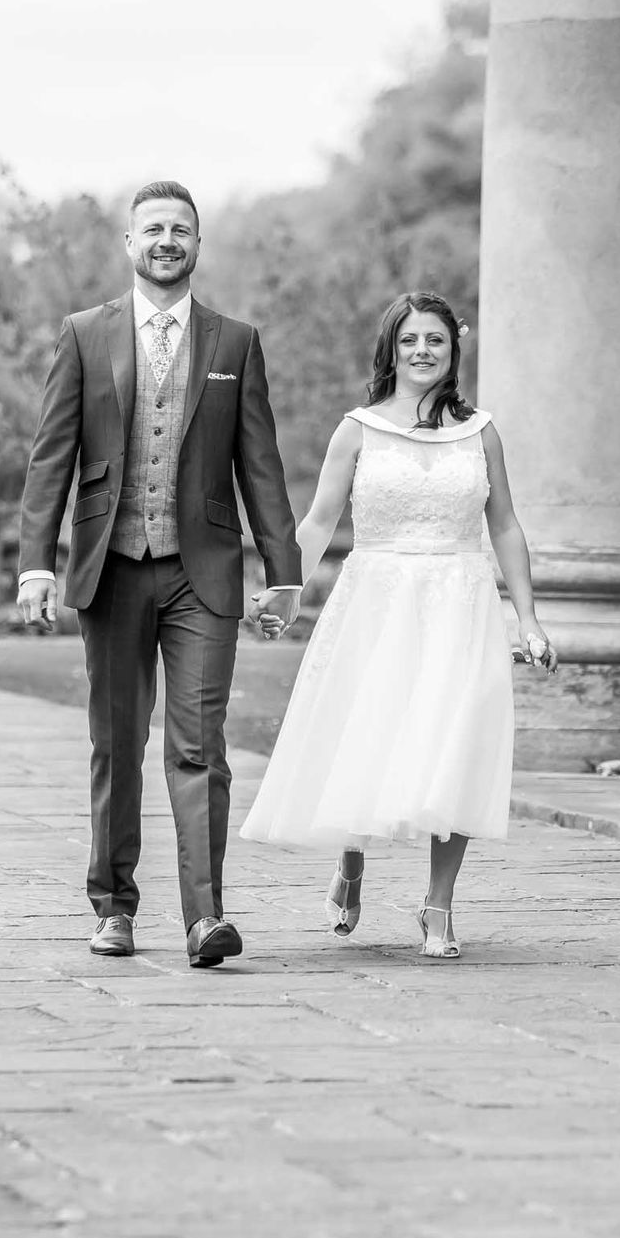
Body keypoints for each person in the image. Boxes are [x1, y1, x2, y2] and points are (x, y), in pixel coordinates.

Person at [16, 180, 303, 968]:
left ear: (198, 245)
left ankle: (205, 918)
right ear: (130, 243)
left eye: (181, 228)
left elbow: (262, 465)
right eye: (153, 228)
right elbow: (52, 458)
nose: (167, 239)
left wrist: (284, 571)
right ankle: (112, 904)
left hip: (201, 574)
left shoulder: (234, 343)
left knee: (200, 748)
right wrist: (36, 563)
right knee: (115, 742)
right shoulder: (83, 334)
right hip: (109, 568)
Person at [239, 291, 555, 959]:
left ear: (453, 350)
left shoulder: (481, 431)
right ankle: (350, 862)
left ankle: (438, 904)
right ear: (390, 348)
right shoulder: (357, 429)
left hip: (461, 599)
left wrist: (527, 617)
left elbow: (504, 523)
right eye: (410, 339)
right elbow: (322, 519)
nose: (422, 351)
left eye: (435, 340)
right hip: (378, 600)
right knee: (372, 733)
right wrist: (286, 589)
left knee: (455, 744)